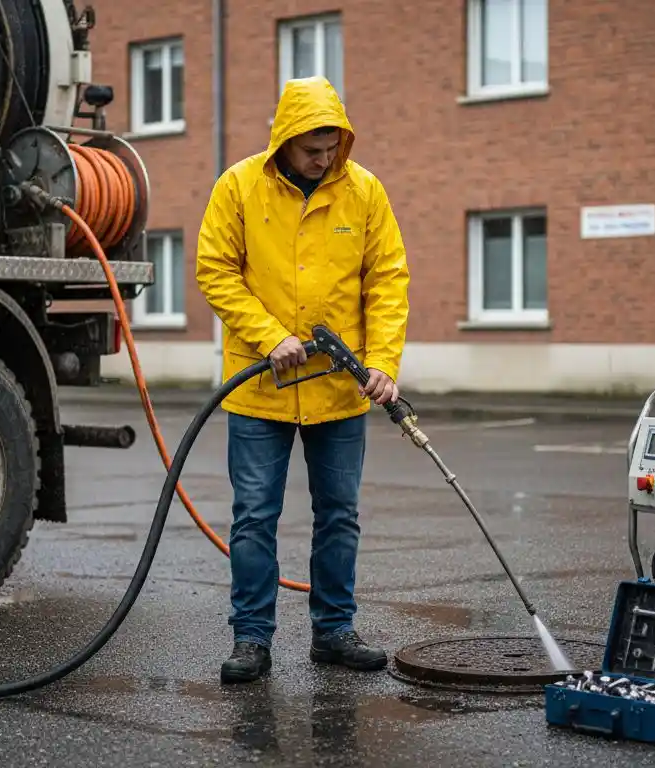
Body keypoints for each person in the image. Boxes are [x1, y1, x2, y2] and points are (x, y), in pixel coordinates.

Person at [195, 76, 411, 684]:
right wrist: (270, 336)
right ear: (285, 141)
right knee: (254, 517)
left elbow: (387, 280)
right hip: (260, 387)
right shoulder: (238, 186)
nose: (324, 159)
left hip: (339, 388)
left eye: (332, 147)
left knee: (339, 515)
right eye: (313, 149)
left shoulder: (364, 191)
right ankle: (251, 639)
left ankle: (334, 631)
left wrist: (383, 362)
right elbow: (215, 270)